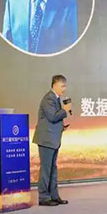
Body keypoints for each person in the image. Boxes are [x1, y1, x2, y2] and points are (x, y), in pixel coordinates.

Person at [32, 75, 72, 206]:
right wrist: (65, 110)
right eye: (62, 86)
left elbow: (53, 120)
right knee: (46, 169)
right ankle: (44, 197)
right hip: (46, 140)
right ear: (55, 85)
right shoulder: (49, 98)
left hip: (53, 139)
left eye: (65, 86)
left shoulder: (56, 98)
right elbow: (52, 117)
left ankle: (54, 196)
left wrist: (62, 126)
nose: (64, 89)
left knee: (53, 169)